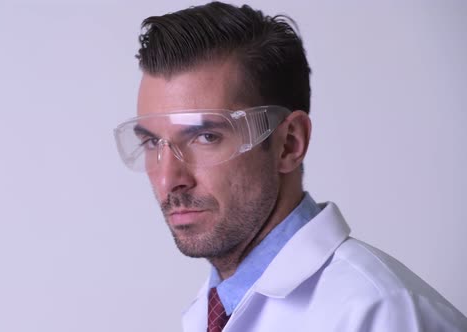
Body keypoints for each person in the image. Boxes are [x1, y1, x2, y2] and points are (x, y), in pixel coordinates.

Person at [113, 2, 467, 331]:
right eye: (152, 142)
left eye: (206, 137)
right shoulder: (213, 310)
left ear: (289, 143)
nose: (168, 178)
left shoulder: (382, 314)